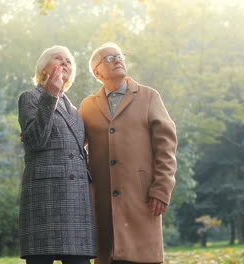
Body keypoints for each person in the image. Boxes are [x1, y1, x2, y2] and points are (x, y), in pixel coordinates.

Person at [78, 42, 178, 264]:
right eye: (110, 58)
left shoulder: (149, 97)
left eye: (120, 55)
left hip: (141, 198)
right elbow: (71, 139)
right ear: (97, 72)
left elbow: (166, 147)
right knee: (109, 257)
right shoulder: (88, 106)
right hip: (103, 204)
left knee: (142, 258)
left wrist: (162, 189)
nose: (118, 60)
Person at [18, 45, 97, 264]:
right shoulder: (30, 98)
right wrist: (50, 95)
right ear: (44, 69)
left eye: (69, 61)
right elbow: (36, 141)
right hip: (45, 197)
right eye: (58, 59)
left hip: (77, 199)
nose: (64, 63)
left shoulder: (74, 110)